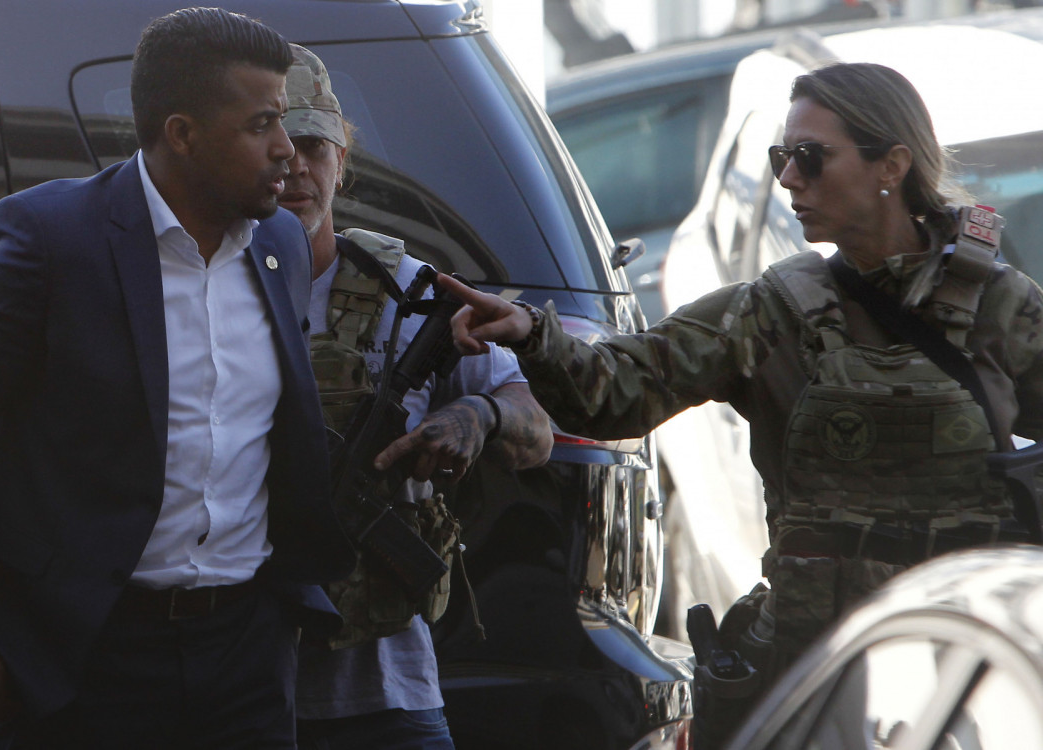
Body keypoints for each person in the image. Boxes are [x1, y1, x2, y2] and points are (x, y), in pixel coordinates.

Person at [438, 58, 1043, 702]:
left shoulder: (999, 305)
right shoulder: (773, 311)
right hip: (822, 676)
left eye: (810, 157)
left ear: (891, 165)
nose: (787, 178)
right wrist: (532, 332)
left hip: (974, 663)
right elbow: (615, 392)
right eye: (783, 156)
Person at [0, 8, 354, 748]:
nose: (286, 151)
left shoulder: (280, 245)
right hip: (87, 653)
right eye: (263, 123)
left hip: (247, 653)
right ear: (182, 134)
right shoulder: (52, 238)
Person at [277, 45, 553, 750]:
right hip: (248, 690)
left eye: (314, 146)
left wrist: (478, 414)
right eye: (276, 145)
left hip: (387, 691)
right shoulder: (204, 287)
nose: (296, 167)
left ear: (342, 159)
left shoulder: (405, 292)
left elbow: (536, 430)